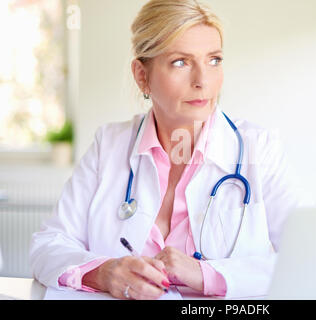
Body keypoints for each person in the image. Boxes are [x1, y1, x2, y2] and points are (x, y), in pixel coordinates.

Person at [30, 0, 301, 300]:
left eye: (214, 60)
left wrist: (206, 274)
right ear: (142, 76)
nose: (203, 81)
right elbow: (48, 245)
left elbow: (310, 257)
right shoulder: (108, 144)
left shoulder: (257, 148)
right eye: (181, 62)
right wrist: (103, 273)